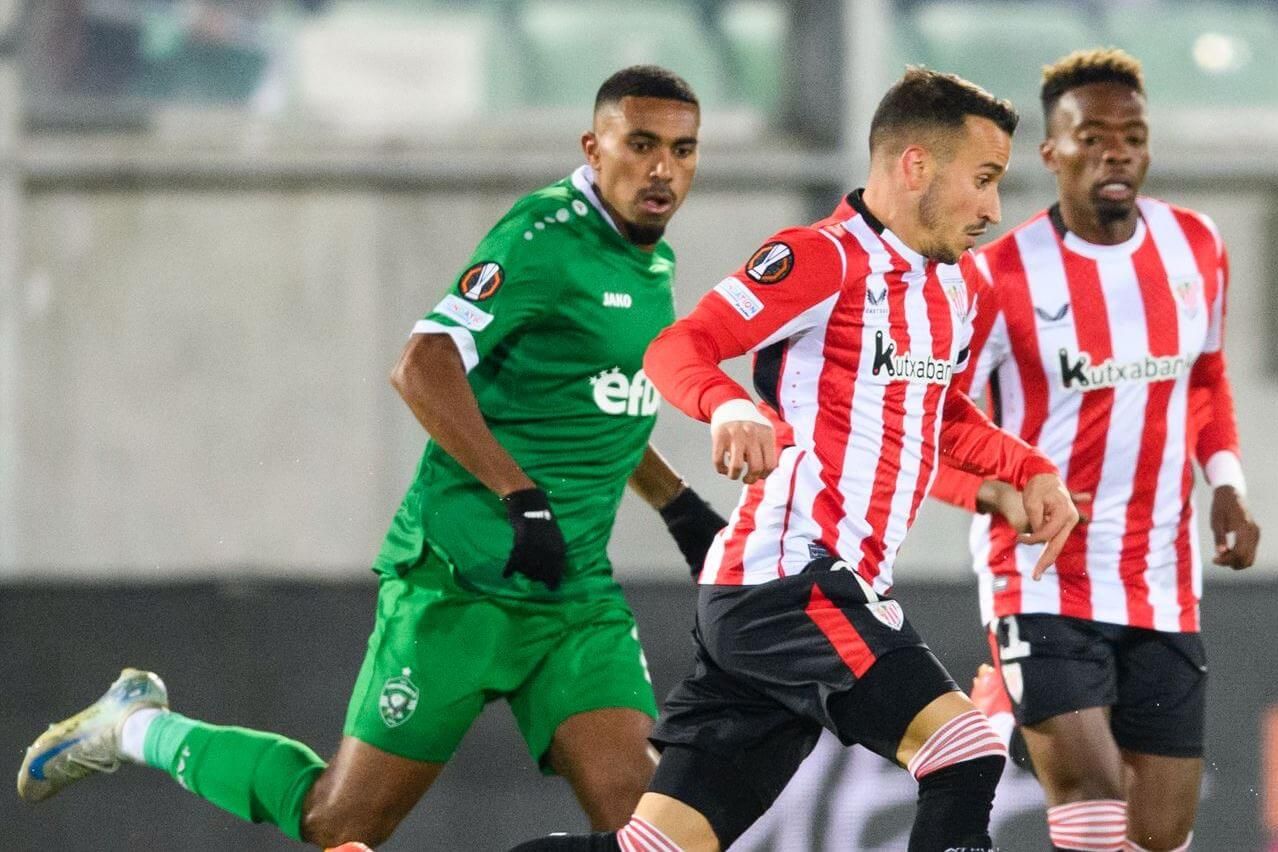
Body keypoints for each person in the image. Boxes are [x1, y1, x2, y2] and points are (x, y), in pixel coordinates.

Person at [16, 65, 729, 849]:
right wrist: (517, 496)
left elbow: (592, 401)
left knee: (647, 834)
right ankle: (136, 727)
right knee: (340, 822)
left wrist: (677, 503)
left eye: (683, 150)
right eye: (642, 145)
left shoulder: (649, 257)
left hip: (572, 597)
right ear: (594, 148)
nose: (663, 169)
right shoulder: (543, 237)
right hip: (457, 583)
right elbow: (421, 365)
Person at [508, 66, 1081, 852]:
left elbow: (937, 412)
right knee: (964, 748)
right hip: (792, 582)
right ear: (915, 164)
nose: (991, 207)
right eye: (981, 180)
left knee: (655, 850)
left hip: (786, 596)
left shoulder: (950, 289)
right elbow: (679, 347)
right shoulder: (822, 260)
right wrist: (732, 404)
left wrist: (1026, 468)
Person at [930, 48, 1260, 852]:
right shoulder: (997, 277)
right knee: (1093, 801)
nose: (1116, 151)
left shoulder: (1197, 246)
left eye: (1133, 136)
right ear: (1050, 153)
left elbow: (1208, 377)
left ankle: (1003, 709)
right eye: (1093, 136)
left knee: (1160, 832)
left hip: (1161, 580)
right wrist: (1000, 496)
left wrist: (1226, 483)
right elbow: (931, 428)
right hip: (1043, 580)